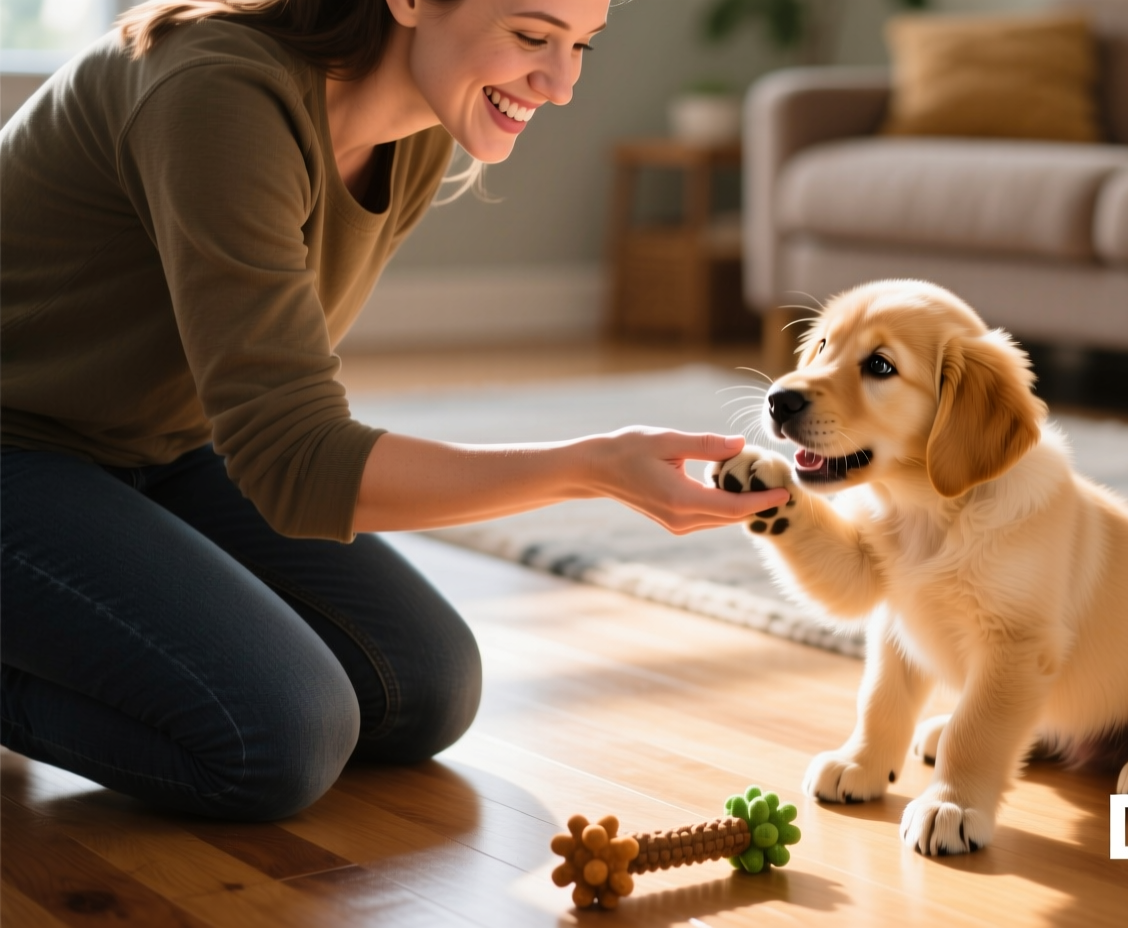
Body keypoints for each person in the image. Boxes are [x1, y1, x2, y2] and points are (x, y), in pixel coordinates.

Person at [0, 0, 787, 822]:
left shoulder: (414, 127)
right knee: (278, 738)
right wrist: (589, 468)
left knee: (423, 685)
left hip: (158, 445)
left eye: (581, 45)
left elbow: (280, 423)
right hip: (17, 442)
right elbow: (296, 460)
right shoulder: (216, 90)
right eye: (531, 37)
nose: (560, 85)